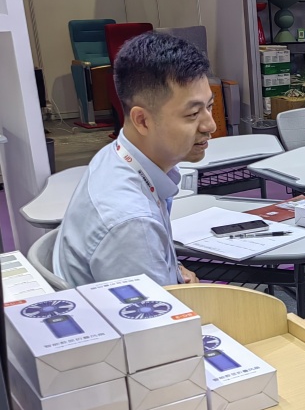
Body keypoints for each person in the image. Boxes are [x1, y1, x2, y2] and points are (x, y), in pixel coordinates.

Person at [54, 32, 213, 287]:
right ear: (142, 120)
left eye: (210, 106)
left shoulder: (116, 155)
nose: (210, 124)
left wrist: (173, 267)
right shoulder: (132, 225)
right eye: (193, 113)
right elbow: (156, 325)